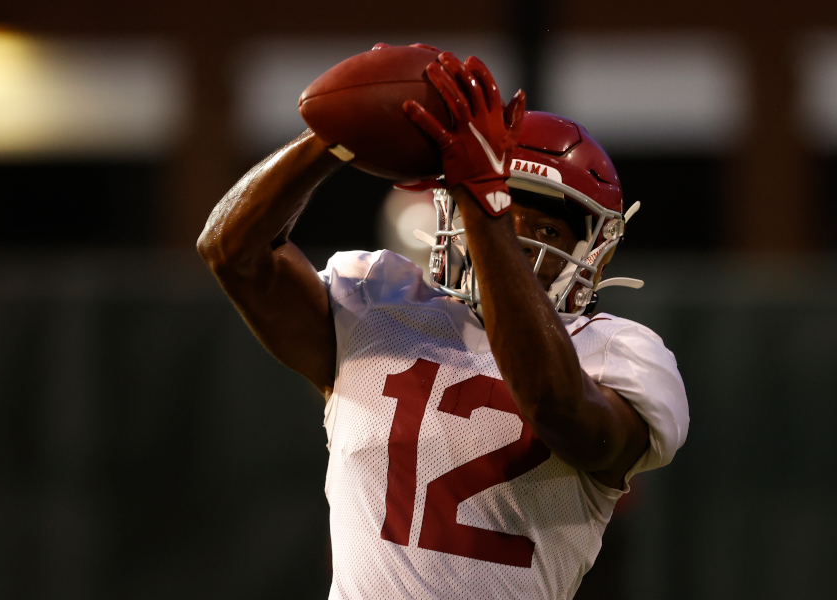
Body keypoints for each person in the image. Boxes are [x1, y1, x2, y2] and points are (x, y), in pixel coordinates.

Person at [197, 49, 689, 600]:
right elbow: (231, 251)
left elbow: (556, 405)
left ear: (593, 249)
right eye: (508, 211)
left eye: (547, 231)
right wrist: (340, 134)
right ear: (449, 211)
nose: (520, 239)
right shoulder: (377, 300)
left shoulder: (618, 353)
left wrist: (486, 202)